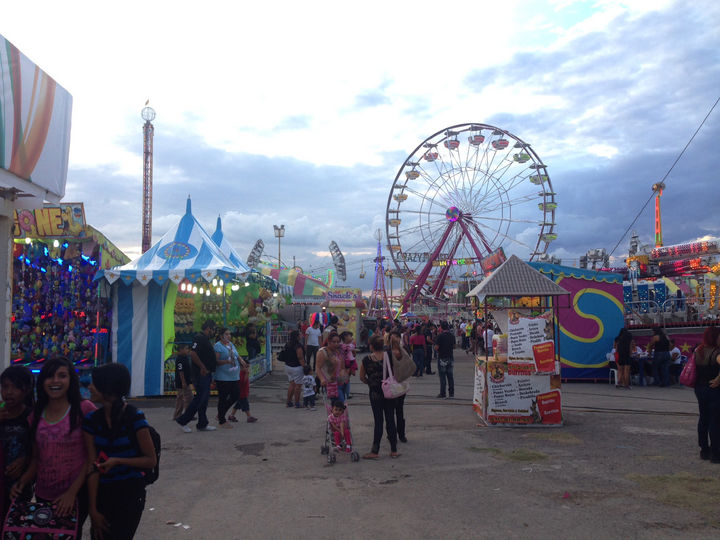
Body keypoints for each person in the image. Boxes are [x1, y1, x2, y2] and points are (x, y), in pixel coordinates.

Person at [12, 357, 97, 532]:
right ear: (42, 381)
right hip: (43, 494)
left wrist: (72, 493)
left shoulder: (84, 409)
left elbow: (91, 457)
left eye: (62, 376)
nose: (55, 381)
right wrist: (22, 481)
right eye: (50, 376)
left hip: (76, 495)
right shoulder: (35, 414)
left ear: (71, 379)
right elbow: (37, 458)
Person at [83, 363, 157, 539]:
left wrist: (117, 461)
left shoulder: (134, 417)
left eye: (94, 383)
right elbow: (92, 466)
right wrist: (92, 509)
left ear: (107, 388)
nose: (89, 387)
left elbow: (150, 460)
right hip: (102, 493)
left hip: (130, 493)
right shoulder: (91, 420)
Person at [0, 366, 34, 519]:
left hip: (20, 486)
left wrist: (25, 460)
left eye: (15, 387)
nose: (8, 392)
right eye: (5, 386)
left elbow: (40, 451)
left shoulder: (32, 416)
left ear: (26, 389)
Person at [176, 319, 219, 432]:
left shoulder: (205, 339)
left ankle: (202, 424)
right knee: (199, 399)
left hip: (207, 374)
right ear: (208, 328)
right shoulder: (199, 338)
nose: (214, 332)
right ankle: (183, 420)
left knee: (204, 400)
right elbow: (193, 353)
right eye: (213, 329)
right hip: (201, 374)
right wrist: (202, 367)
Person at [359, 335, 399, 459]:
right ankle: (394, 450)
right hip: (389, 392)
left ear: (371, 346)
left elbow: (362, 377)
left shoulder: (366, 360)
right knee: (390, 419)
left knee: (378, 421)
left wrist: (371, 383)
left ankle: (375, 451)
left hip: (375, 393)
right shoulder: (389, 356)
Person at [692, 327, 720, 463]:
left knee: (703, 418)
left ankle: (704, 450)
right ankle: (716, 453)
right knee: (715, 421)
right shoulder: (716, 352)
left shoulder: (698, 350)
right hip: (714, 389)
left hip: (699, 388)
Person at [214, 327, 244, 429]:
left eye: (229, 334)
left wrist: (241, 361)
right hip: (223, 377)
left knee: (236, 395)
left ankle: (220, 413)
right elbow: (216, 361)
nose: (229, 336)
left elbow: (237, 355)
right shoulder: (218, 346)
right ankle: (222, 420)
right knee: (223, 398)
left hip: (234, 376)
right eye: (226, 334)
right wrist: (226, 362)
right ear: (221, 335)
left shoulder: (230, 344)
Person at [388, 330, 413, 444]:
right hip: (390, 385)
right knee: (389, 412)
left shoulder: (404, 350)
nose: (395, 340)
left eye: (397, 337)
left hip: (401, 384)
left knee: (399, 410)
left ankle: (401, 434)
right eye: (393, 338)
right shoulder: (386, 351)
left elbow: (409, 365)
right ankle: (391, 434)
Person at [316, 332, 348, 402]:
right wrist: (322, 379)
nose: (336, 344)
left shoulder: (339, 351)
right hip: (330, 383)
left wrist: (343, 374)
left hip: (341, 382)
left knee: (341, 405)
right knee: (338, 404)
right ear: (328, 342)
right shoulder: (323, 352)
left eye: (338, 342)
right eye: (334, 342)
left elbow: (343, 367)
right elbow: (318, 368)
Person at [228, 357, 258, 423]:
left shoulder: (242, 372)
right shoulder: (240, 373)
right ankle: (249, 417)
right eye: (246, 367)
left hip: (243, 391)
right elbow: (242, 382)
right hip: (241, 392)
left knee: (238, 404)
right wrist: (246, 374)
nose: (247, 368)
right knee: (245, 405)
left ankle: (231, 415)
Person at [284, 330, 306, 408]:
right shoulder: (298, 346)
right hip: (297, 367)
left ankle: (288, 402)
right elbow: (300, 357)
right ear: (297, 337)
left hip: (288, 366)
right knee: (298, 386)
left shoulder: (287, 344)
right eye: (300, 334)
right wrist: (305, 367)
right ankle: (297, 403)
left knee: (292, 384)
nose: (301, 335)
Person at [172, 343, 193, 420]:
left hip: (185, 381)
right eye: (186, 348)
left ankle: (180, 415)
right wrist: (183, 382)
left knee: (184, 398)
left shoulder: (185, 357)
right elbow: (181, 371)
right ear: (181, 350)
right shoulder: (180, 359)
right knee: (186, 398)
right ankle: (183, 415)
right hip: (182, 382)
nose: (188, 350)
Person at [435, 321, 456, 399]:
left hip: (442, 358)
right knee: (450, 376)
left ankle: (443, 393)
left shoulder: (440, 336)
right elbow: (454, 347)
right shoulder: (452, 336)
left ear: (441, 327)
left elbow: (436, 347)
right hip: (450, 357)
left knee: (442, 376)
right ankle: (451, 393)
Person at [339, 331, 357, 399]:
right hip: (347, 362)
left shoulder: (341, 345)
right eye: (350, 336)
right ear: (346, 337)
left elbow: (354, 353)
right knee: (347, 378)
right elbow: (354, 353)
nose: (352, 338)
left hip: (348, 362)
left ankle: (346, 393)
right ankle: (346, 393)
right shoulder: (349, 345)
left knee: (347, 378)